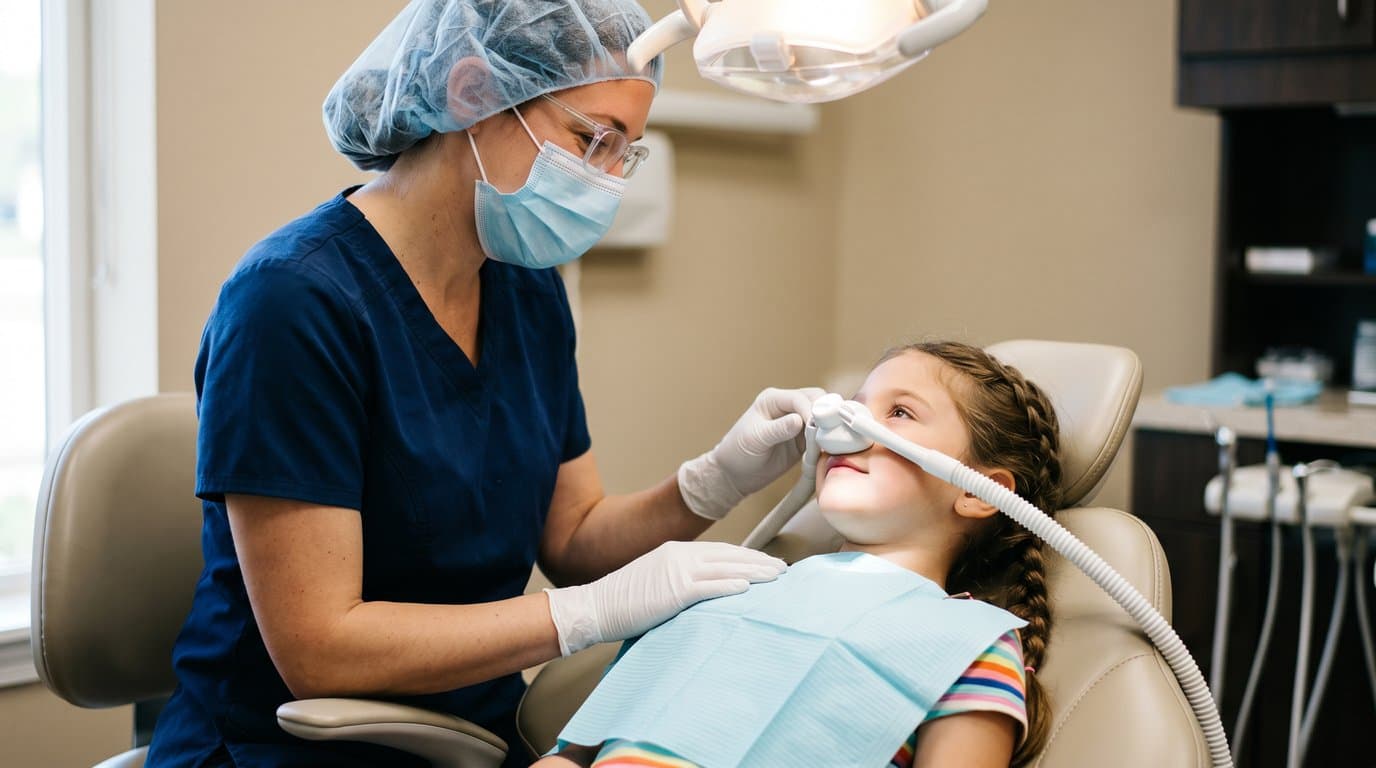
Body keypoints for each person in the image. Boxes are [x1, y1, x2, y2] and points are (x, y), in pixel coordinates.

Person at [145, 2, 822, 766]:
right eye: (591, 139)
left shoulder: (527, 290)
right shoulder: (292, 303)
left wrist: (715, 480)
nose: (605, 180)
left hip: (475, 737)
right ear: (471, 93)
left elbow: (571, 538)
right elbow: (321, 650)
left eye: (624, 152)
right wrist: (587, 613)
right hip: (280, 749)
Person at [536, 341, 1064, 768]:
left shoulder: (967, 645)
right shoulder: (731, 587)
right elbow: (573, 755)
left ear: (978, 490)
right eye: (852, 406)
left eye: (899, 412)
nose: (847, 426)